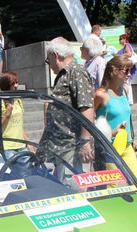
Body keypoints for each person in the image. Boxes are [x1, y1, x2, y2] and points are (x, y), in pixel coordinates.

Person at [41, 37, 95, 182]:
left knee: (71, 190)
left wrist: (85, 142)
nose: (49, 64)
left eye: (48, 60)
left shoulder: (76, 72)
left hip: (71, 147)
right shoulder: (65, 74)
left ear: (55, 56)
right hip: (61, 147)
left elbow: (86, 107)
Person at [94, 55, 137, 184]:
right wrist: (111, 131)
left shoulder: (124, 91)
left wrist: (131, 139)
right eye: (126, 71)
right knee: (112, 187)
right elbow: (88, 121)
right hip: (109, 148)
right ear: (114, 70)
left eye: (130, 71)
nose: (129, 75)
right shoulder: (101, 95)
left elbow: (127, 117)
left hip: (126, 145)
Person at [0, 71, 29, 159]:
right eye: (13, 83)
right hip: (7, 147)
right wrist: (7, 115)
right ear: (6, 85)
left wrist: (28, 143)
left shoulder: (18, 100)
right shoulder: (1, 102)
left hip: (21, 145)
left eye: (17, 82)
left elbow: (20, 125)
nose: (16, 86)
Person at [117, 34, 136, 105]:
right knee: (126, 83)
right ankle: (129, 100)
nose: (119, 40)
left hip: (127, 68)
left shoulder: (127, 45)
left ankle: (128, 100)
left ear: (125, 39)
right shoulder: (124, 47)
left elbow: (129, 54)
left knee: (126, 83)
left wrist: (119, 56)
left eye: (120, 39)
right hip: (126, 67)